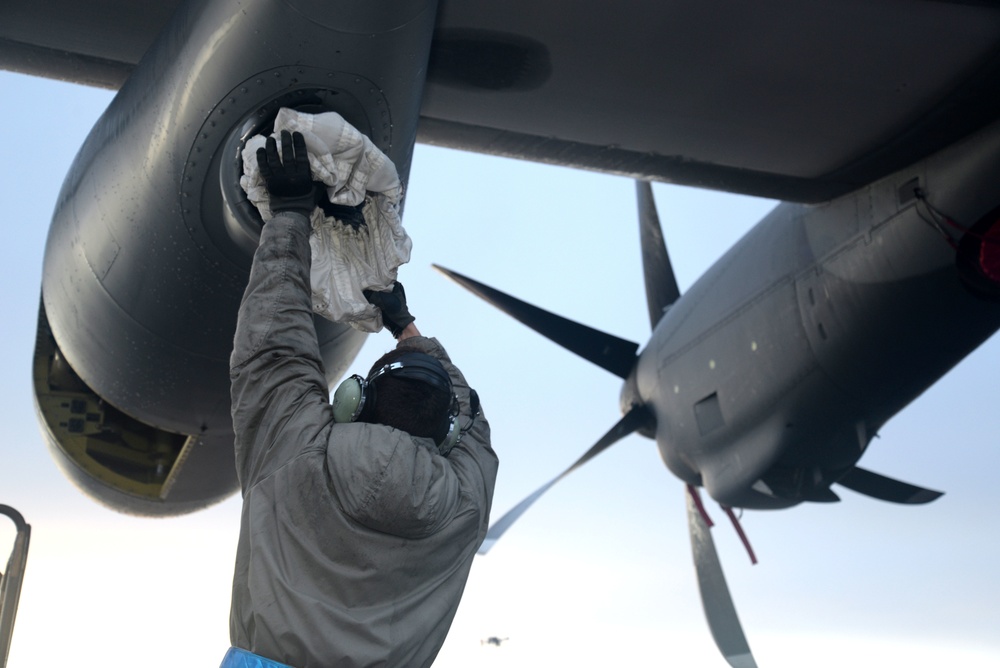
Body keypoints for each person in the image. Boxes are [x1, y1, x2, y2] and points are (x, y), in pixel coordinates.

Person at [223, 131, 498, 668]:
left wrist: (291, 215)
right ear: (444, 434)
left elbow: (273, 342)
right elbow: (273, 353)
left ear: (354, 403)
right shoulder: (462, 506)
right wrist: (406, 327)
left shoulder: (300, 452)